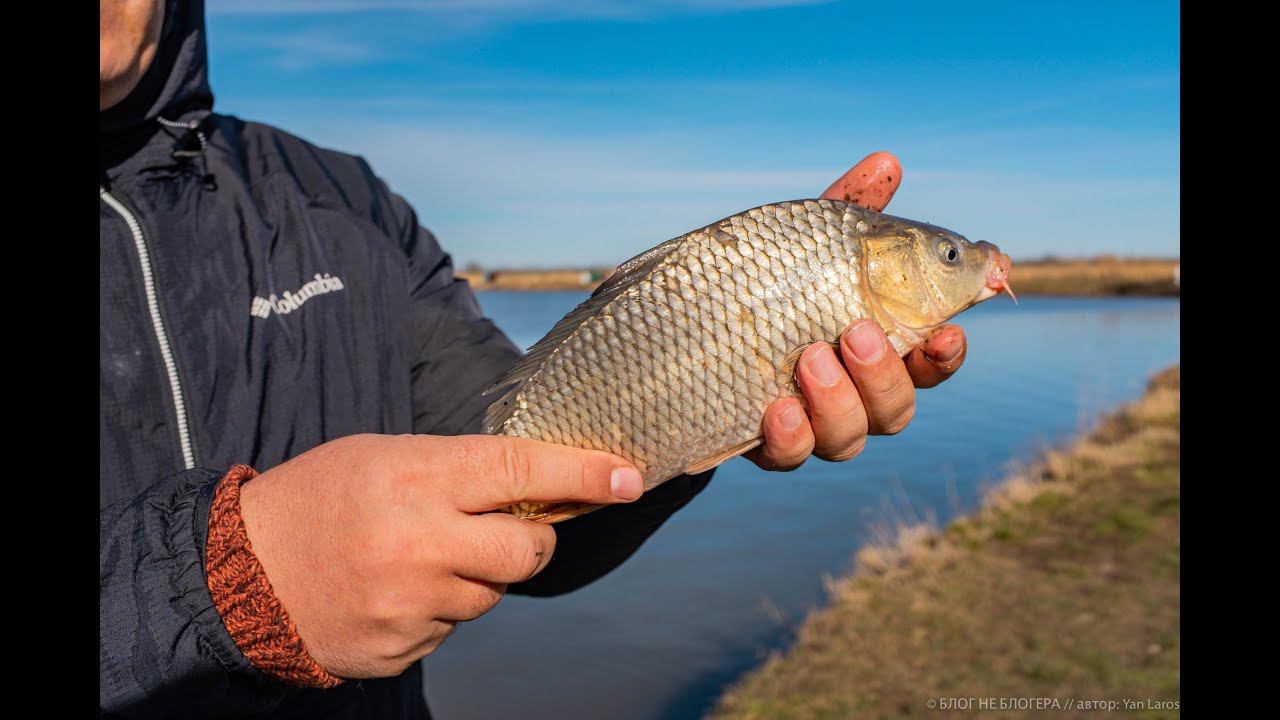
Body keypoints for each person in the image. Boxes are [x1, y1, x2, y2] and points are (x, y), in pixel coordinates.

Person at [99, 1, 970, 717]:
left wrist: (708, 383)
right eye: (948, 259)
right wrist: (213, 588)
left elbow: (521, 498)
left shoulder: (341, 198)